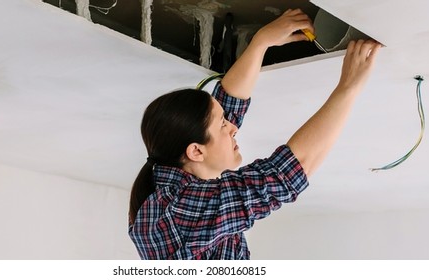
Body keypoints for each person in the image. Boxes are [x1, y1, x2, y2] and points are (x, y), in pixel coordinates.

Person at [128, 9, 381, 260]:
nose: (233, 127)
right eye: (223, 125)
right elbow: (284, 175)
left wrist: (262, 41)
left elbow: (228, 105)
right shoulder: (177, 211)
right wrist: (348, 88)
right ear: (196, 151)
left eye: (226, 121)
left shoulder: (179, 192)